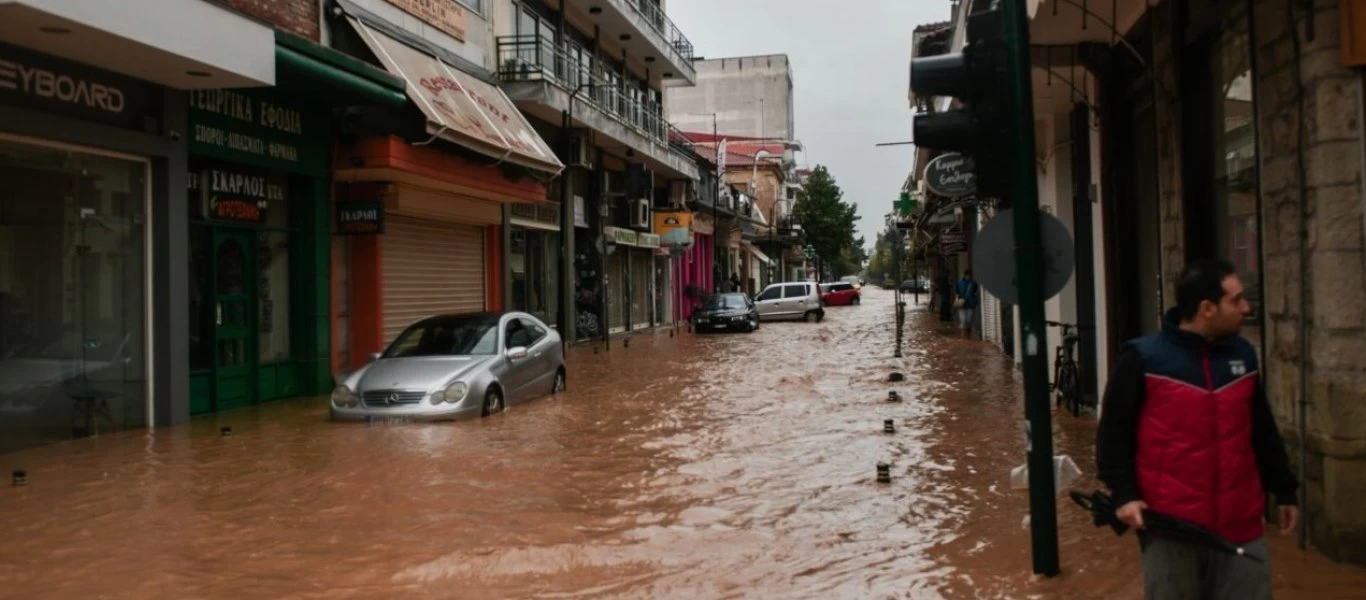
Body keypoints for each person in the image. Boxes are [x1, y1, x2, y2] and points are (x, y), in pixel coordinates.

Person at [1096, 258, 1299, 599]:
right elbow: (1112, 437)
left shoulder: (1244, 356)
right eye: (1236, 300)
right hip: (1171, 531)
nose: (1246, 308)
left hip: (1241, 525)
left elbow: (1261, 429)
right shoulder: (1142, 359)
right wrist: (1124, 494)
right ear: (1207, 308)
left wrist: (1284, 489)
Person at [954, 269, 978, 339]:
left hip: (971, 304)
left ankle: (968, 336)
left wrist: (974, 301)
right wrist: (957, 301)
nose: (968, 277)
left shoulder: (973, 283)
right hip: (962, 305)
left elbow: (976, 292)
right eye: (967, 276)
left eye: (970, 276)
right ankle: (963, 336)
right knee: (963, 320)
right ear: (964, 275)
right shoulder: (959, 283)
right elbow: (957, 293)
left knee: (969, 321)